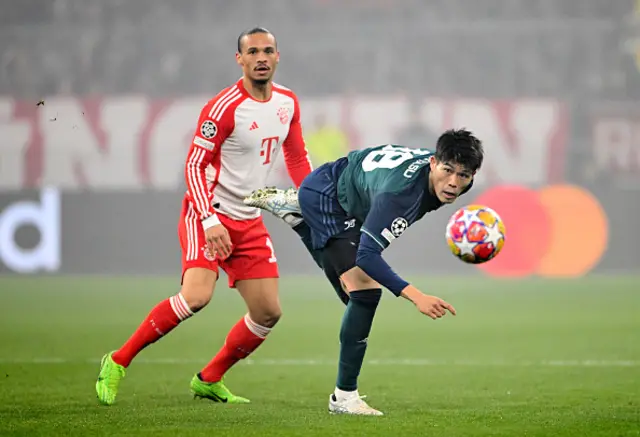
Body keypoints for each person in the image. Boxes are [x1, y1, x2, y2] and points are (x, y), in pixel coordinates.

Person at [95, 27, 313, 406]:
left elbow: (295, 157)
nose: (261, 58)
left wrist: (312, 198)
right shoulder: (223, 107)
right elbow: (195, 165)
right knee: (196, 297)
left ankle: (209, 379)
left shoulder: (288, 103)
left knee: (268, 312)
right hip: (207, 212)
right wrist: (210, 221)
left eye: (268, 51)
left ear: (278, 57)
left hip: (249, 219)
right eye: (253, 52)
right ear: (240, 60)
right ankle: (117, 360)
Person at [244, 129, 484, 415]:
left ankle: (298, 216)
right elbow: (368, 255)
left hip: (346, 194)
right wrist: (416, 295)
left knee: (355, 299)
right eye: (448, 171)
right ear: (433, 163)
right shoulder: (400, 196)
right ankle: (343, 398)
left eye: (464, 176)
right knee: (365, 293)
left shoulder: (436, 182)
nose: (454, 183)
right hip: (329, 199)